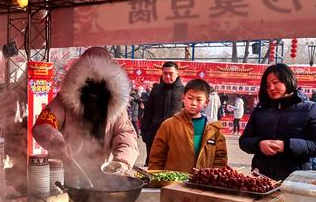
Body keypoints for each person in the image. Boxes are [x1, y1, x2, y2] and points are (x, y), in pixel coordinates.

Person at [32, 47, 139, 175]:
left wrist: (120, 163)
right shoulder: (63, 100)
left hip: (102, 173)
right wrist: (58, 142)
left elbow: (125, 136)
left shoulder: (116, 105)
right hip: (64, 172)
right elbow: (43, 125)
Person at [239, 63, 316, 181]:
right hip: (262, 177)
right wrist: (259, 144)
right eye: (267, 85)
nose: (271, 88)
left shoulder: (310, 109)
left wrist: (287, 146)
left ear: (288, 80)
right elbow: (244, 141)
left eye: (275, 82)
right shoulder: (260, 110)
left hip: (296, 179)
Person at [148, 79, 227, 173]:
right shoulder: (169, 125)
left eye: (199, 100)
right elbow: (156, 158)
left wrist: (213, 180)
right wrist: (156, 180)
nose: (193, 103)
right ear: (183, 97)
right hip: (173, 185)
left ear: (206, 102)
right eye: (190, 98)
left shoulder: (214, 128)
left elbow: (220, 159)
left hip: (203, 184)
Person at [141, 61, 184, 164]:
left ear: (177, 73)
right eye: (165, 73)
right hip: (154, 134)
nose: (168, 76)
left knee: (172, 165)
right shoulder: (156, 89)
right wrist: (145, 131)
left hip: (175, 135)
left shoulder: (184, 91)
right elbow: (148, 112)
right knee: (153, 164)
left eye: (171, 73)